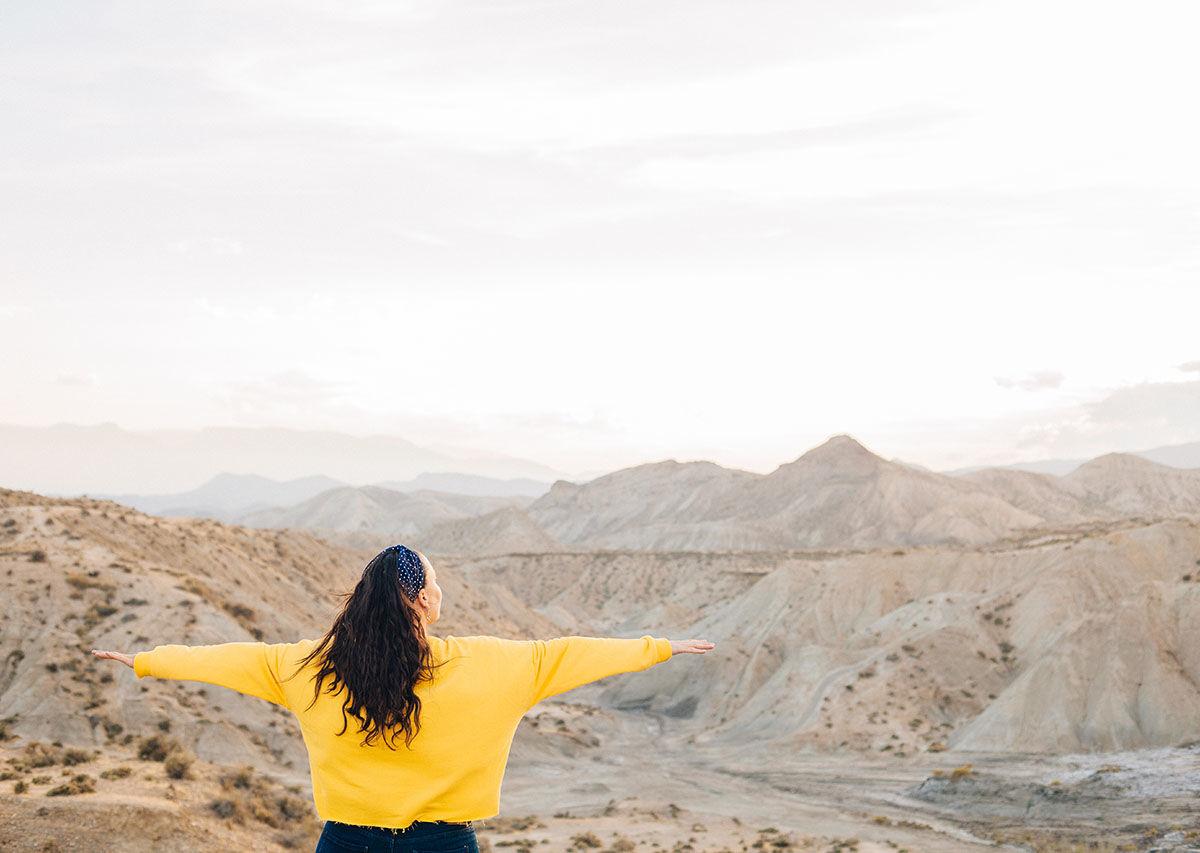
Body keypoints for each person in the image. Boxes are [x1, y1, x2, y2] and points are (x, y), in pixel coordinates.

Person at [91, 544, 715, 852]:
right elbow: (573, 653)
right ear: (420, 600)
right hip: (443, 844)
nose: (441, 589)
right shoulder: (496, 664)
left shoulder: (307, 667)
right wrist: (658, 647)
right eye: (435, 582)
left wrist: (145, 661)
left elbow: (224, 660)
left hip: (347, 841)